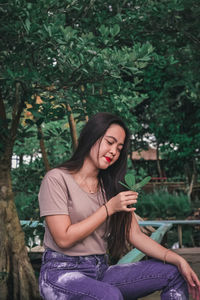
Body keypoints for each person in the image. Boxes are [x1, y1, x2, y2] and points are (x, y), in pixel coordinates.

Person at [38, 112, 200, 300]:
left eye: (119, 147)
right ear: (92, 137)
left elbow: (135, 235)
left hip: (100, 270)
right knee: (110, 295)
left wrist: (178, 259)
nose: (114, 151)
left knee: (173, 273)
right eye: (110, 142)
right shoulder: (57, 179)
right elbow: (63, 239)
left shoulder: (111, 186)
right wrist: (108, 208)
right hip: (60, 274)